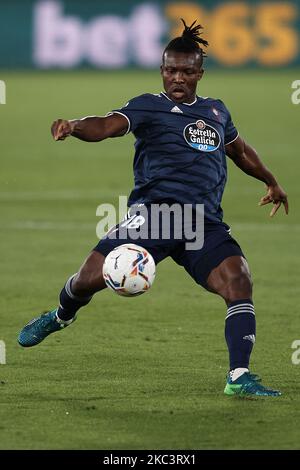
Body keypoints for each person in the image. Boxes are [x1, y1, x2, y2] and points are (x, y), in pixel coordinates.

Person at [18, 19, 288, 397]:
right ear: (162, 71)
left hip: (202, 224)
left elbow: (239, 151)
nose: (178, 78)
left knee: (239, 282)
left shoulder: (216, 112)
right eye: (171, 70)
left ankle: (239, 377)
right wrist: (75, 126)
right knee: (85, 280)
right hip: (153, 218)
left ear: (200, 74)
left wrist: (271, 181)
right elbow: (108, 125)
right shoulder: (148, 107)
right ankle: (60, 317)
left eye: (187, 72)